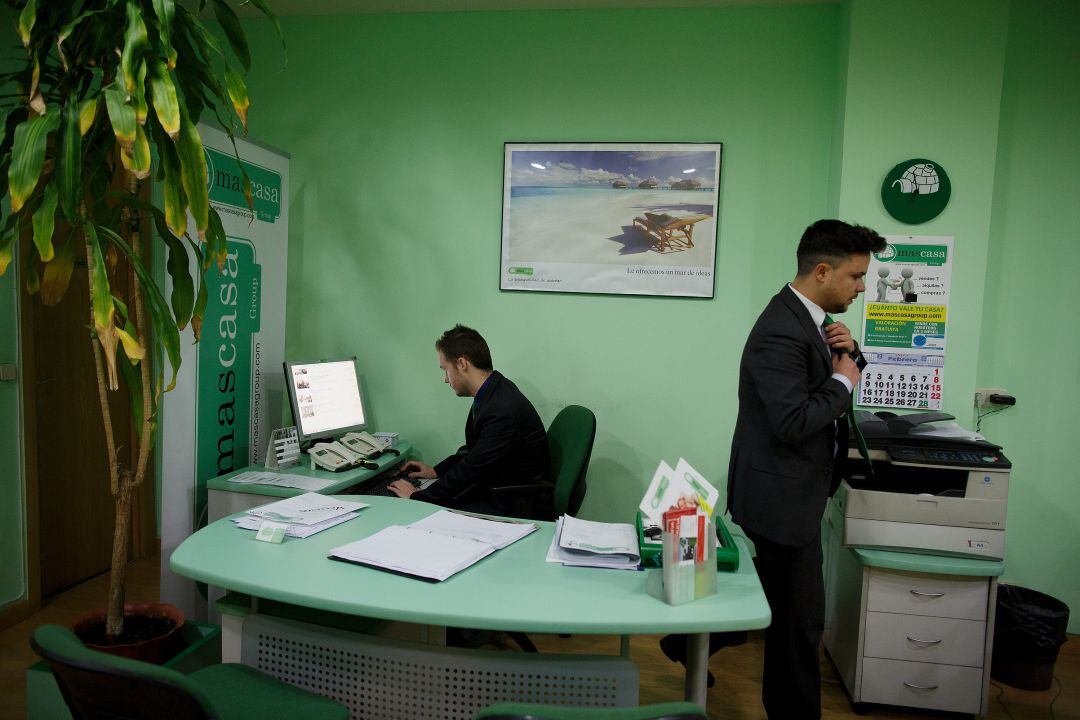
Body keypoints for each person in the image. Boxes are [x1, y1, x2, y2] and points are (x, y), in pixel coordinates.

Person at [727, 219, 885, 719]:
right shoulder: (780, 330)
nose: (862, 288)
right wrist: (842, 383)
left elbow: (820, 384)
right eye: (856, 277)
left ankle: (686, 642)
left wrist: (847, 356)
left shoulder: (808, 321)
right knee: (799, 627)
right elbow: (794, 420)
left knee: (779, 606)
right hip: (780, 499)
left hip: (791, 492)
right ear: (822, 271)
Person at [388, 324, 551, 518]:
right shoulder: (494, 391)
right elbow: (476, 452)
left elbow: (473, 468)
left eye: (445, 370)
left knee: (416, 517)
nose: (445, 379)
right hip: (498, 488)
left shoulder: (502, 410)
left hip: (511, 503)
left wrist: (418, 498)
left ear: (462, 364)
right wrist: (436, 471)